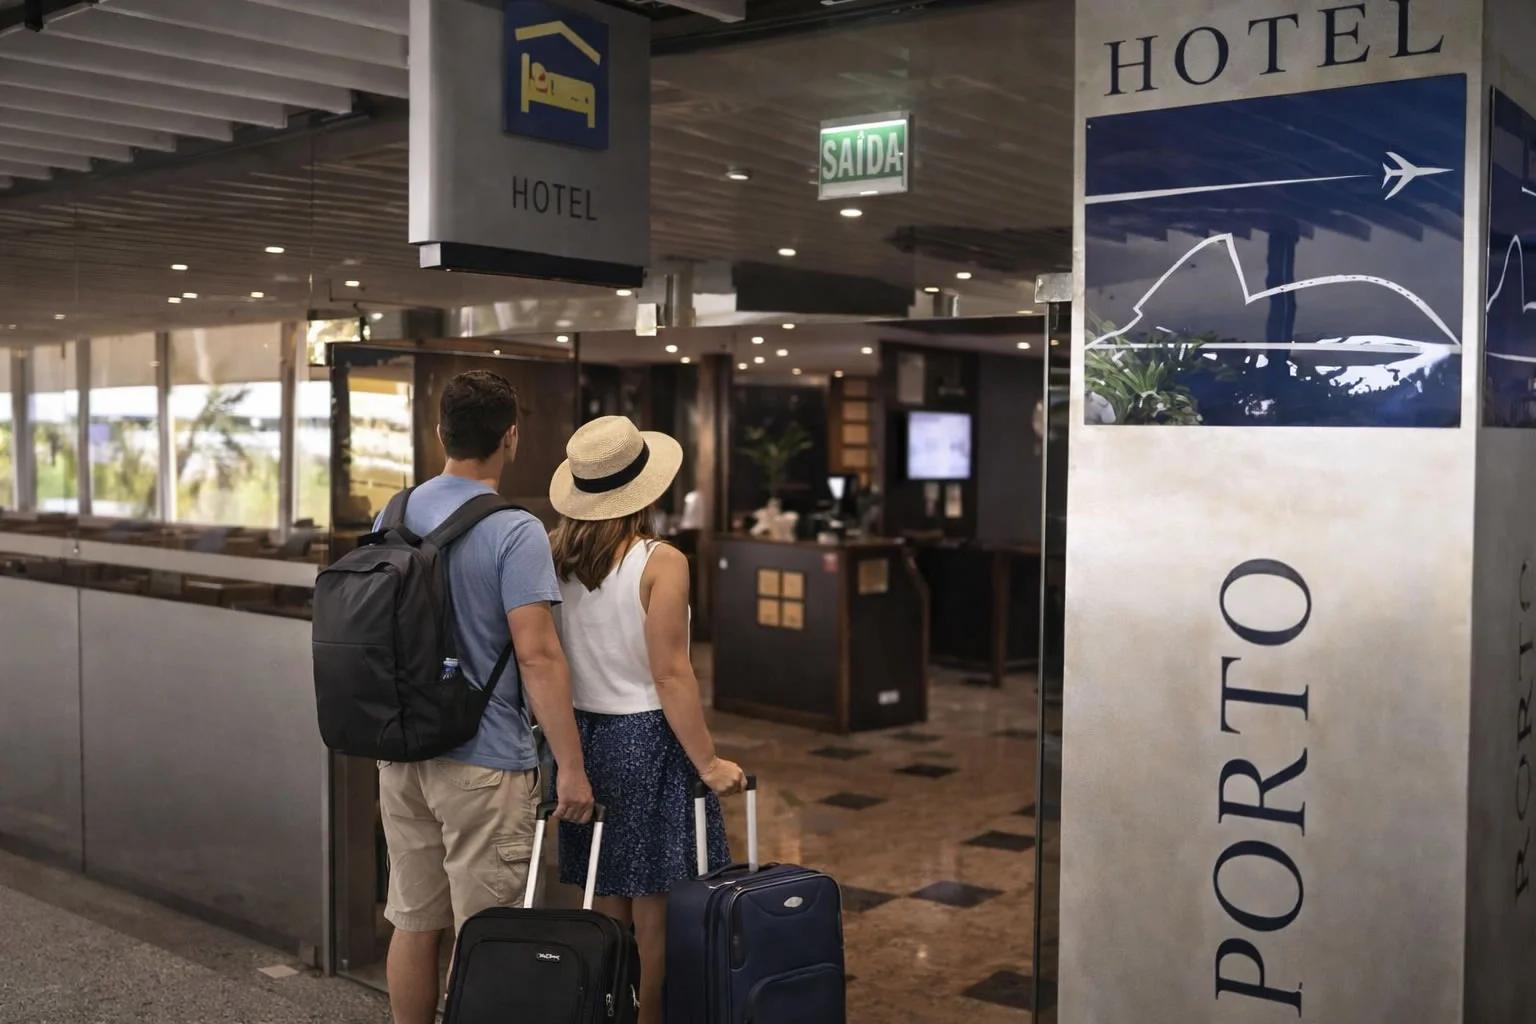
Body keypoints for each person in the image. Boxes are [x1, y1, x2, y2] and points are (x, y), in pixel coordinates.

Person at [377, 370, 594, 1024]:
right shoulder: (515, 529)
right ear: (512, 437)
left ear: (439, 432)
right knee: (490, 935)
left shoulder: (393, 512)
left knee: (414, 921)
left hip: (401, 752)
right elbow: (537, 653)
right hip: (485, 762)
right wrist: (573, 768)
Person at [547, 416, 747, 1024]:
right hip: (648, 737)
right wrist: (709, 762)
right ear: (648, 490)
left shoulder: (554, 556)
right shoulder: (663, 561)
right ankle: (650, 1017)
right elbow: (670, 674)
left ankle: (606, 1008)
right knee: (656, 903)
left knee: (607, 893)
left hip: (582, 737)